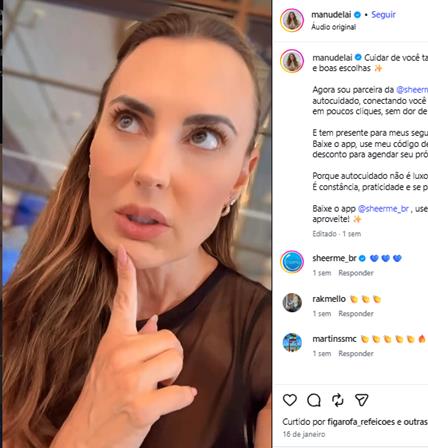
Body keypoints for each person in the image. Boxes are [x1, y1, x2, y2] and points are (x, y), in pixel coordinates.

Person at [2, 11, 271, 448]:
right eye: (128, 120)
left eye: (204, 136)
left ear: (241, 178)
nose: (151, 172)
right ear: (95, 141)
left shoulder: (275, 349)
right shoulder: (21, 308)